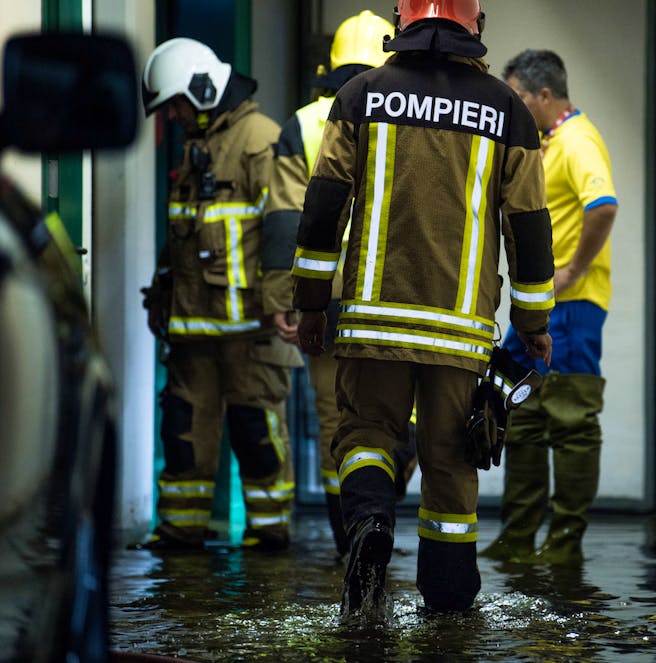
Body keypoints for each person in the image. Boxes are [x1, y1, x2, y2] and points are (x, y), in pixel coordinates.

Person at [291, 0, 554, 617]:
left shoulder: (360, 95)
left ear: (401, 23)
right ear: (476, 26)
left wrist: (309, 305)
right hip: (458, 334)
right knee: (450, 464)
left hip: (371, 320)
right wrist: (533, 325)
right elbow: (530, 227)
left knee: (365, 436)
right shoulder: (507, 109)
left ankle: (370, 527)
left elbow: (324, 205)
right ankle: (449, 607)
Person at [263, 9, 416, 560]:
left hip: (328, 296)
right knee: (405, 409)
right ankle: (388, 492)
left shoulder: (303, 123)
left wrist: (287, 299)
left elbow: (287, 218)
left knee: (340, 420)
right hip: (396, 290)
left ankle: (352, 541)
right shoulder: (409, 112)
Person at [139, 37, 302, 551]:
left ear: (202, 90)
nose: (175, 118)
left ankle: (269, 531)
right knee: (184, 430)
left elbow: (283, 229)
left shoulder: (260, 140)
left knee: (255, 430)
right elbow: (184, 235)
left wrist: (281, 301)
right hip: (193, 326)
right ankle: (180, 529)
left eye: (178, 106)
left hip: (251, 327)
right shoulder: (198, 149)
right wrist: (160, 298)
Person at [481, 49, 619, 566]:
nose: (514, 105)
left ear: (544, 95)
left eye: (518, 96)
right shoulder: (548, 141)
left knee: (572, 420)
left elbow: (602, 205)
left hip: (574, 306)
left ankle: (564, 544)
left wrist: (575, 270)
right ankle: (519, 536)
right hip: (539, 305)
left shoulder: (580, 140)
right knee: (525, 413)